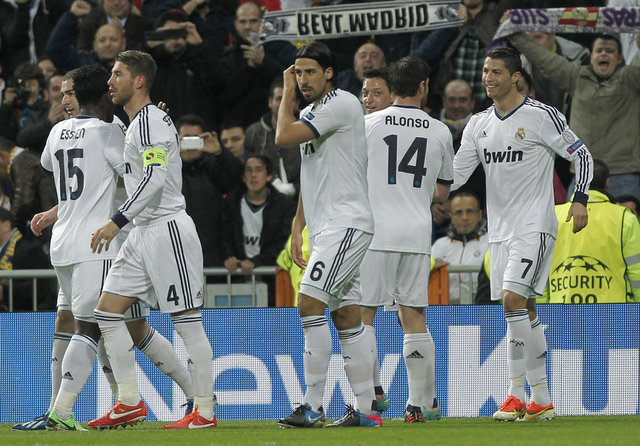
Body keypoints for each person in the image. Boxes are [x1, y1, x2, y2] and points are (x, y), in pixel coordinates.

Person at [12, 68, 194, 431]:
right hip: (96, 242)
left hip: (80, 243)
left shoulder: (58, 132)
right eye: (62, 93)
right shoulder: (112, 132)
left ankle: (171, 396)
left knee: (119, 326)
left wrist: (56, 211)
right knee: (95, 325)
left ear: (84, 95)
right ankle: (74, 409)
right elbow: (134, 179)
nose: (63, 100)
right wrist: (152, 132)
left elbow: (76, 178)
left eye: (69, 93)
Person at [452, 47, 593, 422]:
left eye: (496, 72)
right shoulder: (478, 123)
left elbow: (582, 155)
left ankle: (515, 394)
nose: (488, 78)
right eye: (485, 71)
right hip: (499, 232)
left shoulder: (540, 115)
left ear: (515, 77)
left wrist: (580, 198)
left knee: (512, 299)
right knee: (525, 309)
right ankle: (541, 399)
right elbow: (457, 173)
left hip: (535, 225)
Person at [89, 50, 216, 430]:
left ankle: (204, 411)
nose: (110, 81)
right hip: (142, 233)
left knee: (187, 323)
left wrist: (117, 220)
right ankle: (129, 401)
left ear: (139, 81)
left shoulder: (150, 121)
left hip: (166, 229)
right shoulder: (142, 123)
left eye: (118, 74)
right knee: (107, 312)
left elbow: (155, 177)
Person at [275, 42, 380, 428]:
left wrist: (285, 91)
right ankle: (367, 411)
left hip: (346, 223)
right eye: (298, 73)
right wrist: (298, 224)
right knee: (346, 315)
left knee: (308, 303)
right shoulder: (311, 113)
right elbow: (311, 174)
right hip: (326, 228)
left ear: (329, 73)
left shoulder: (342, 103)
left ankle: (312, 406)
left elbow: (282, 136)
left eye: (310, 72)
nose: (303, 80)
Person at [360, 56, 453, 423]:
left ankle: (372, 395)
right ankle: (419, 404)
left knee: (364, 315)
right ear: (423, 86)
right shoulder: (440, 131)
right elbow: (442, 193)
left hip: (374, 231)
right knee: (413, 315)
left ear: (392, 88)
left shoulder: (367, 125)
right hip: (416, 231)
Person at [509, 32, 640, 200]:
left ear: (619, 58)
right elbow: (544, 58)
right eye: (599, 50)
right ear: (591, 56)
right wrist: (514, 32)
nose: (604, 54)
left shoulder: (631, 78)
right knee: (573, 219)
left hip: (622, 174)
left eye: (609, 51)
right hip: (583, 173)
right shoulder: (577, 77)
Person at [540, 159, 640, 304]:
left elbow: (540, 270)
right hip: (614, 312)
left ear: (577, 182)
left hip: (561, 310)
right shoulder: (625, 218)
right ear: (607, 182)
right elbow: (637, 271)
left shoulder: (553, 215)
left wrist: (542, 309)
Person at [221, 155, 295, 306]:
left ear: (269, 176)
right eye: (249, 170)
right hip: (238, 277)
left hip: (271, 279)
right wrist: (229, 256)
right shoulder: (231, 203)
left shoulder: (285, 205)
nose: (253, 175)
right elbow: (223, 235)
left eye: (259, 170)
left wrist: (257, 261)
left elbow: (284, 242)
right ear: (243, 177)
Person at [176, 113, 243, 269]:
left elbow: (236, 178)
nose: (192, 143)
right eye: (187, 138)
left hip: (212, 253)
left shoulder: (213, 166)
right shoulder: (167, 169)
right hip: (176, 251)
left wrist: (220, 152)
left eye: (196, 138)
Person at [244, 76, 301, 197]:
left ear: (296, 104)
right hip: (265, 199)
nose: (284, 104)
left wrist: (295, 189)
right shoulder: (253, 133)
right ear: (270, 102)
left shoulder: (306, 132)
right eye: (279, 98)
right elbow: (247, 170)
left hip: (303, 199)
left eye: (289, 99)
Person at [431, 191, 488, 305]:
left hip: (482, 309)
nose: (464, 217)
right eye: (458, 212)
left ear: (479, 214)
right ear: (451, 216)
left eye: (470, 211)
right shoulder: (439, 245)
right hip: (445, 311)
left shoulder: (491, 243)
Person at [45, 1, 127, 72]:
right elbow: (55, 50)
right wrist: (71, 15)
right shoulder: (83, 62)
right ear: (94, 45)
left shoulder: (132, 66)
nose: (108, 44)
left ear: (123, 44)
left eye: (113, 39)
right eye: (102, 40)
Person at [0, 207, 54, 312]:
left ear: (6, 225)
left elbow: (41, 289)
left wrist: (4, 292)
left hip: (27, 316)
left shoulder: (30, 250)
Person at [76, 0, 154, 51]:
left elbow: (144, 56)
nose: (116, 2)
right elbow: (83, 55)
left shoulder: (146, 25)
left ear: (130, 2)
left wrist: (122, 35)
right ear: (103, 3)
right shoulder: (89, 25)